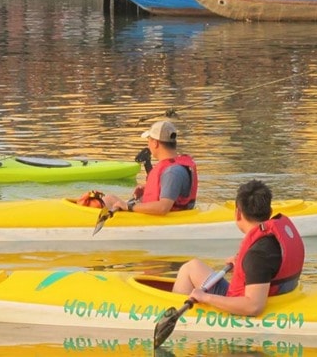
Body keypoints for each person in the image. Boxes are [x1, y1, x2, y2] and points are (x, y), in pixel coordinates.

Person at [172, 180, 304, 317]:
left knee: (187, 270)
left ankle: (174, 313)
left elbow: (254, 307)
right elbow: (269, 269)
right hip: (280, 295)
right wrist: (244, 268)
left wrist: (205, 297)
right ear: (269, 212)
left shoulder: (258, 254)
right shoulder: (272, 241)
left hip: (242, 305)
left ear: (238, 214)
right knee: (193, 266)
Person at [102, 120, 197, 215]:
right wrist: (147, 189)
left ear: (155, 143)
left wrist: (129, 207)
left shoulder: (172, 172)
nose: (148, 144)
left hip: (163, 221)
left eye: (149, 139)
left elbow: (163, 208)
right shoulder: (174, 167)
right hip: (161, 215)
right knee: (109, 199)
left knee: (105, 202)